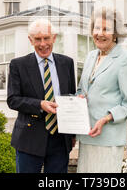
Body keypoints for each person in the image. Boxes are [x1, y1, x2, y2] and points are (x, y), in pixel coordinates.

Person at [7, 18, 76, 173]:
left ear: (54, 38)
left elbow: (70, 96)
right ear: (30, 40)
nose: (43, 44)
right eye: (38, 39)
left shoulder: (67, 63)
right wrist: (40, 104)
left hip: (60, 138)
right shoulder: (18, 65)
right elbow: (13, 100)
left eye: (46, 38)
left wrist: (72, 134)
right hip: (29, 139)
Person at [76, 7, 127, 173]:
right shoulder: (90, 56)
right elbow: (81, 89)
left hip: (108, 137)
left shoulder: (126, 60)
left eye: (106, 29)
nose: (100, 33)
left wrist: (106, 118)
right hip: (87, 135)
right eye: (97, 28)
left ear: (116, 33)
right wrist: (78, 99)